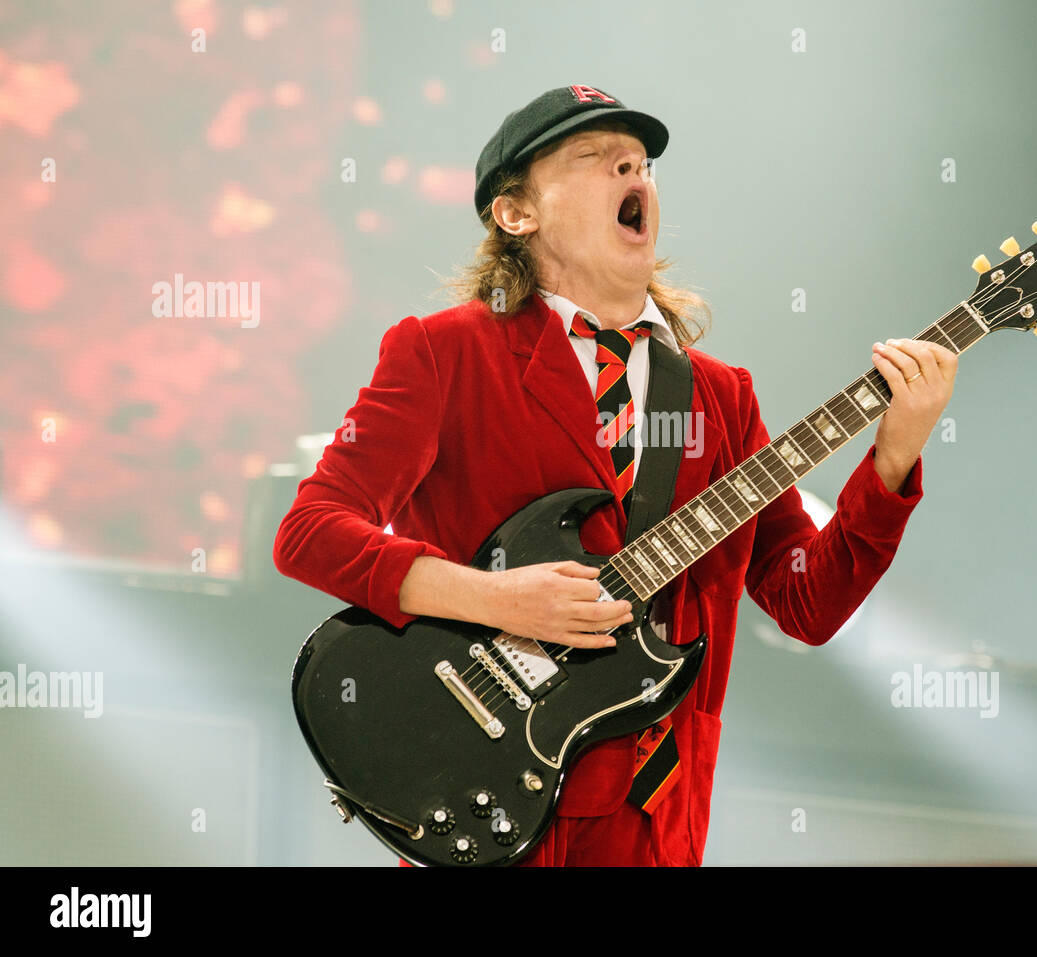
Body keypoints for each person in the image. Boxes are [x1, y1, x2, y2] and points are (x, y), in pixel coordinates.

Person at [272, 84, 957, 866]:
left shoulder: (720, 395)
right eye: (595, 158)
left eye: (640, 162)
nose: (632, 169)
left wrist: (893, 458)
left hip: (655, 820)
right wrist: (493, 597)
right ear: (516, 214)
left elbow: (806, 602)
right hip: (490, 784)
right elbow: (309, 533)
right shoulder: (445, 351)